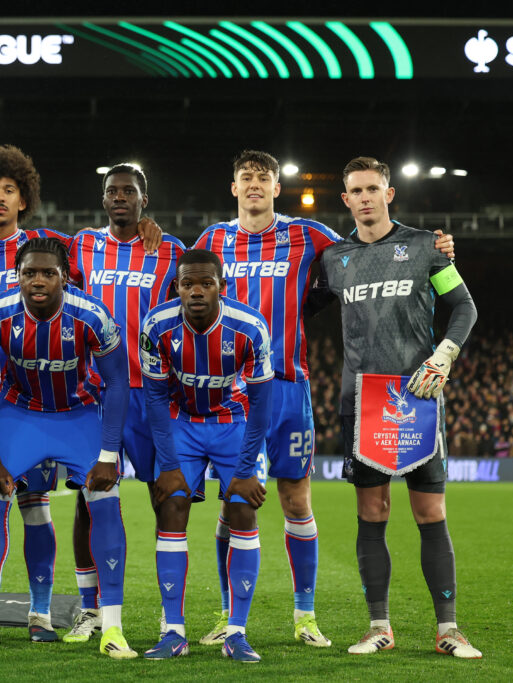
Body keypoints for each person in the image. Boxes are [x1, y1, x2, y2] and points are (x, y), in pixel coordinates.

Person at [193, 150, 454, 648]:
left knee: (296, 499)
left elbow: (368, 250)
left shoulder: (311, 236)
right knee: (231, 504)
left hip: (289, 387)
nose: (253, 185)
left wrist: (435, 248)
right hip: (230, 394)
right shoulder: (212, 240)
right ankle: (227, 614)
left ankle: (305, 615)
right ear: (233, 188)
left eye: (263, 178)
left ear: (276, 188)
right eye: (245, 178)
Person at [320, 156, 480, 658]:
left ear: (389, 193)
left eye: (373, 188)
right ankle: (379, 627)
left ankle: (448, 630)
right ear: (345, 200)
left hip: (419, 398)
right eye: (356, 191)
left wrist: (444, 356)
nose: (365, 197)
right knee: (372, 511)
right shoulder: (333, 259)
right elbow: (292, 303)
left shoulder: (425, 247)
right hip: (359, 403)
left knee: (430, 512)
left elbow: (465, 306)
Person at [0, 237, 135, 659]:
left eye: (47, 272)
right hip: (20, 414)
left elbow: (118, 382)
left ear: (64, 276)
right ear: (18, 275)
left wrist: (108, 454)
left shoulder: (92, 316)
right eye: (29, 272)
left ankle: (113, 627)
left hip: (77, 415)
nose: (38, 280)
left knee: (105, 498)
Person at [64, 163, 185, 643]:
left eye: (128, 191)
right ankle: (91, 610)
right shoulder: (82, 245)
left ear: (143, 200)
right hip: (95, 393)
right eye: (112, 191)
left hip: (154, 393)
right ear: (103, 198)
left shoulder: (170, 249)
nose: (120, 197)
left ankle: (169, 617)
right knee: (87, 501)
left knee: (167, 501)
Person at [141, 249, 274, 662]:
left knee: (242, 508)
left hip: (234, 422)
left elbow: (262, 403)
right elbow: (155, 400)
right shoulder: (157, 325)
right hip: (181, 422)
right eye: (187, 284)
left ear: (222, 286)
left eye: (206, 283)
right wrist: (167, 465)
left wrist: (247, 467)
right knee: (172, 504)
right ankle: (174, 632)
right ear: (176, 287)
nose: (196, 292)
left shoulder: (250, 326)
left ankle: (236, 632)